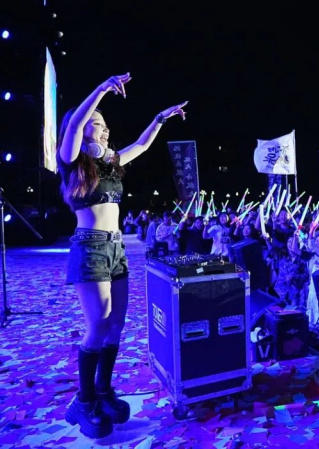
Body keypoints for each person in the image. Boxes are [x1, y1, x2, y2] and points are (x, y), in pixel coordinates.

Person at [57, 72, 186, 438]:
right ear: (83, 128)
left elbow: (141, 146)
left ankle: (103, 391)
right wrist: (101, 90)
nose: (105, 129)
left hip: (116, 248)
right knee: (98, 325)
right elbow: (76, 123)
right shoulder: (71, 158)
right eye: (98, 124)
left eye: (105, 124)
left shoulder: (110, 161)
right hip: (90, 247)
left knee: (116, 325)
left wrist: (160, 118)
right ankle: (83, 401)